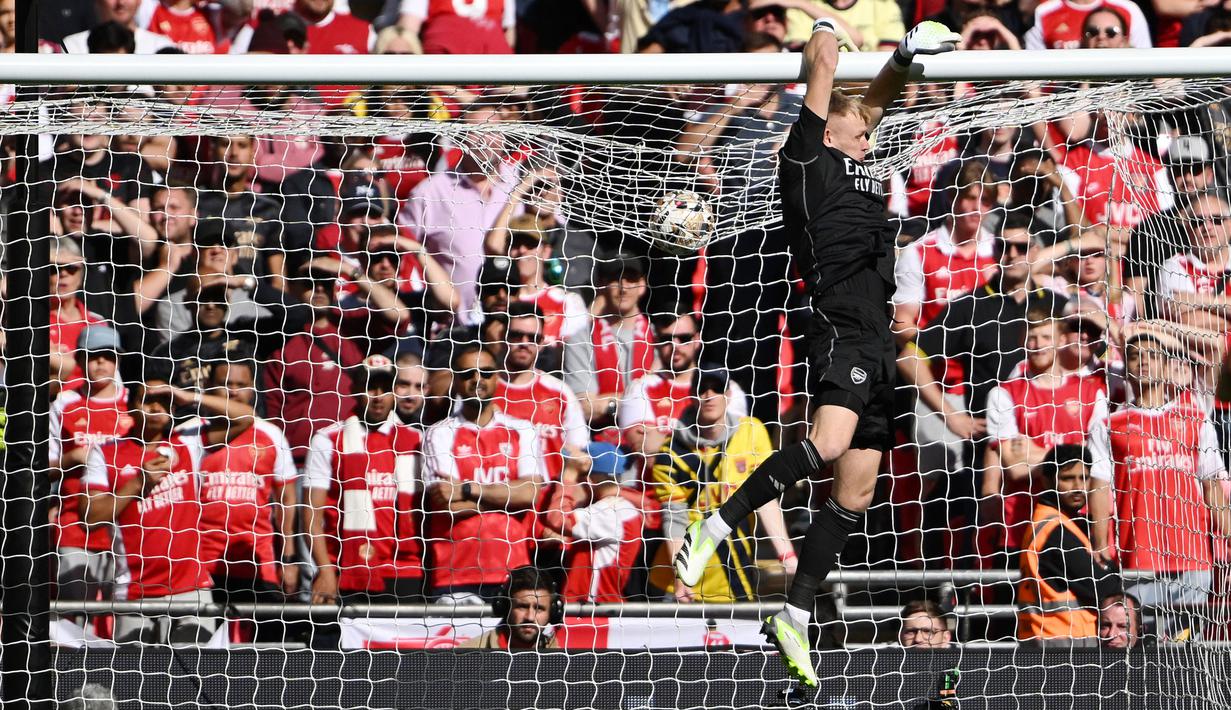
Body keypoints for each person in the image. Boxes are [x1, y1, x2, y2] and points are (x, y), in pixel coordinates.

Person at [671, 20, 962, 686]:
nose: (869, 137)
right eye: (857, 130)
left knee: (854, 493)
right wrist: (826, 25)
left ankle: (795, 614)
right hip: (838, 324)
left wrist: (905, 52)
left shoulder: (853, 151)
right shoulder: (806, 162)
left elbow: (877, 99)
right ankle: (716, 525)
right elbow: (824, 63)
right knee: (826, 444)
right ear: (825, 131)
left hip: (878, 335)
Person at [80, 370, 254, 644]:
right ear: (131, 407)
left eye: (165, 400)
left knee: (197, 680)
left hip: (191, 588)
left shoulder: (188, 442)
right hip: (135, 592)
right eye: (149, 399)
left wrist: (188, 396)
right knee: (135, 684)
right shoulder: (107, 452)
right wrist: (139, 483)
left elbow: (246, 416)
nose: (157, 406)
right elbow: (89, 518)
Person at [1087, 328, 1231, 640]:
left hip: (1192, 555)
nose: (1145, 363)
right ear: (1126, 368)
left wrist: (1228, 531)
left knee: (1186, 648)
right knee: (1143, 647)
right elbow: (1099, 483)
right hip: (1138, 554)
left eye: (1153, 357)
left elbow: (1211, 484)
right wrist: (1100, 541)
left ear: (1167, 367)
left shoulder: (1194, 416)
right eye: (1136, 357)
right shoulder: (1110, 423)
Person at [653, 368, 796, 603]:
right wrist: (682, 577)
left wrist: (786, 554)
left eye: (717, 388)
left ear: (728, 395)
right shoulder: (670, 455)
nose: (709, 395)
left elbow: (767, 498)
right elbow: (674, 521)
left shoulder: (752, 432)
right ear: (692, 396)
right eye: (702, 389)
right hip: (680, 586)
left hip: (736, 575)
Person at [423, 346, 546, 603]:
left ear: (497, 378)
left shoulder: (524, 430)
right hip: (454, 571)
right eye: (468, 373)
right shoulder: (439, 433)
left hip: (514, 571)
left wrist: (468, 489)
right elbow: (446, 504)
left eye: (486, 373)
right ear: (456, 380)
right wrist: (507, 499)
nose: (478, 380)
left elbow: (530, 494)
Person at [983, 308, 1107, 561]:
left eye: (1045, 338)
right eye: (1032, 338)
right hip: (1021, 525)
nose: (1037, 345)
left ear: (1062, 341)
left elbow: (1097, 465)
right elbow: (1015, 468)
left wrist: (1035, 452)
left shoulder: (1091, 392)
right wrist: (1074, 450)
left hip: (1077, 521)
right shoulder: (1004, 393)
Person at [304, 356, 426, 604]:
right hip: (346, 569)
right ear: (356, 390)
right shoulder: (327, 440)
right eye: (371, 387)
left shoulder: (417, 441)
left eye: (385, 388)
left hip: (406, 569)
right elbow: (311, 514)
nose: (378, 396)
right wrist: (325, 570)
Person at [197, 360, 300, 605]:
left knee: (263, 641)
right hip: (202, 563)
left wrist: (288, 559)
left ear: (253, 388)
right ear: (209, 387)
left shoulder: (272, 434)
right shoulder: (192, 434)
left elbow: (286, 499)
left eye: (241, 385)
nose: (233, 391)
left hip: (257, 561)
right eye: (225, 384)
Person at [50, 325, 130, 622]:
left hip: (125, 528)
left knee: (119, 617)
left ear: (118, 360)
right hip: (74, 524)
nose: (100, 364)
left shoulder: (133, 405)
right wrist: (71, 457)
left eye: (108, 357)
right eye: (93, 357)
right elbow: (42, 465)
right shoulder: (64, 404)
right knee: (72, 616)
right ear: (81, 361)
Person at [1017, 444, 1122, 645]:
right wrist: (1109, 567)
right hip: (1063, 644)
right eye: (1067, 478)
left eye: (1084, 478)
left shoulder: (1054, 523)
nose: (1078, 486)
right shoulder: (1055, 530)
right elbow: (1106, 588)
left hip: (1053, 640)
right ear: (1047, 480)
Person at [491, 302, 589, 481]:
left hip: (551, 500)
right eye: (516, 336)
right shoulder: (483, 390)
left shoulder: (560, 392)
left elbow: (580, 452)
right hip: (499, 498)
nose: (524, 343)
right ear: (502, 337)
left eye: (532, 337)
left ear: (542, 342)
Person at [541, 442, 644, 603]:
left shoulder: (610, 512)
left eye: (579, 478)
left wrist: (568, 477)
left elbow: (557, 518)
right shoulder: (620, 508)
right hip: (595, 606)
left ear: (588, 480)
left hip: (594, 608)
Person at [458, 566, 563, 650]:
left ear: (552, 612)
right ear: (505, 607)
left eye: (539, 608)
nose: (530, 617)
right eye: (522, 607)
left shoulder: (563, 661)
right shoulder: (469, 654)